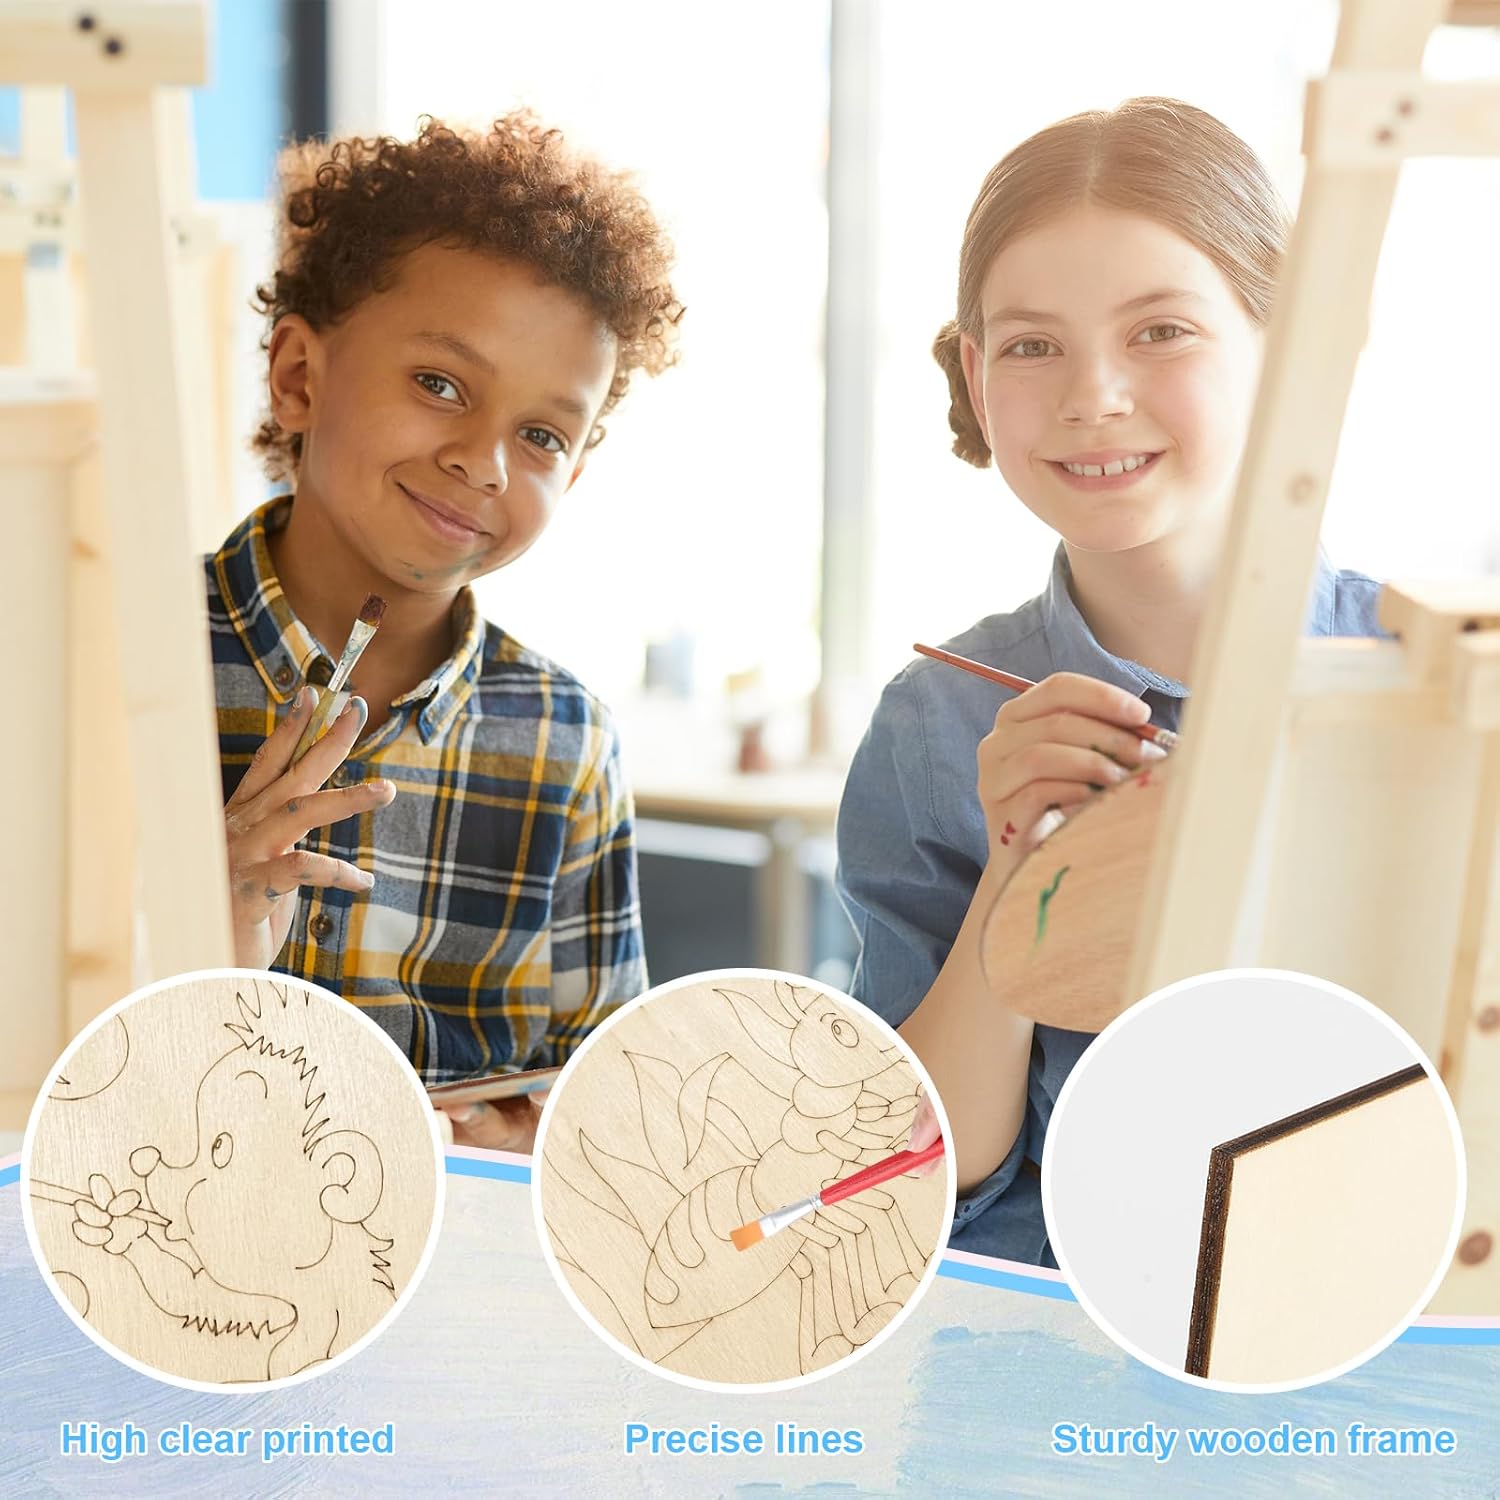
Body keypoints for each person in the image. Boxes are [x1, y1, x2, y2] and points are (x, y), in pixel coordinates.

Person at [835, 98, 1381, 1265]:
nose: (1094, 394)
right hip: (1040, 1358)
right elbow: (913, 1174)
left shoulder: (1432, 679)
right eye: (1033, 345)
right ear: (980, 380)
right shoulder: (936, 724)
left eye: (1161, 331)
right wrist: (1022, 884)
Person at [209, 113, 682, 1150]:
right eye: (439, 384)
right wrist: (206, 919)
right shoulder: (113, 665)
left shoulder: (565, 740)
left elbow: (606, 1120)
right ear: (298, 377)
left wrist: (539, 1145)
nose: (485, 462)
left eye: (542, 435)